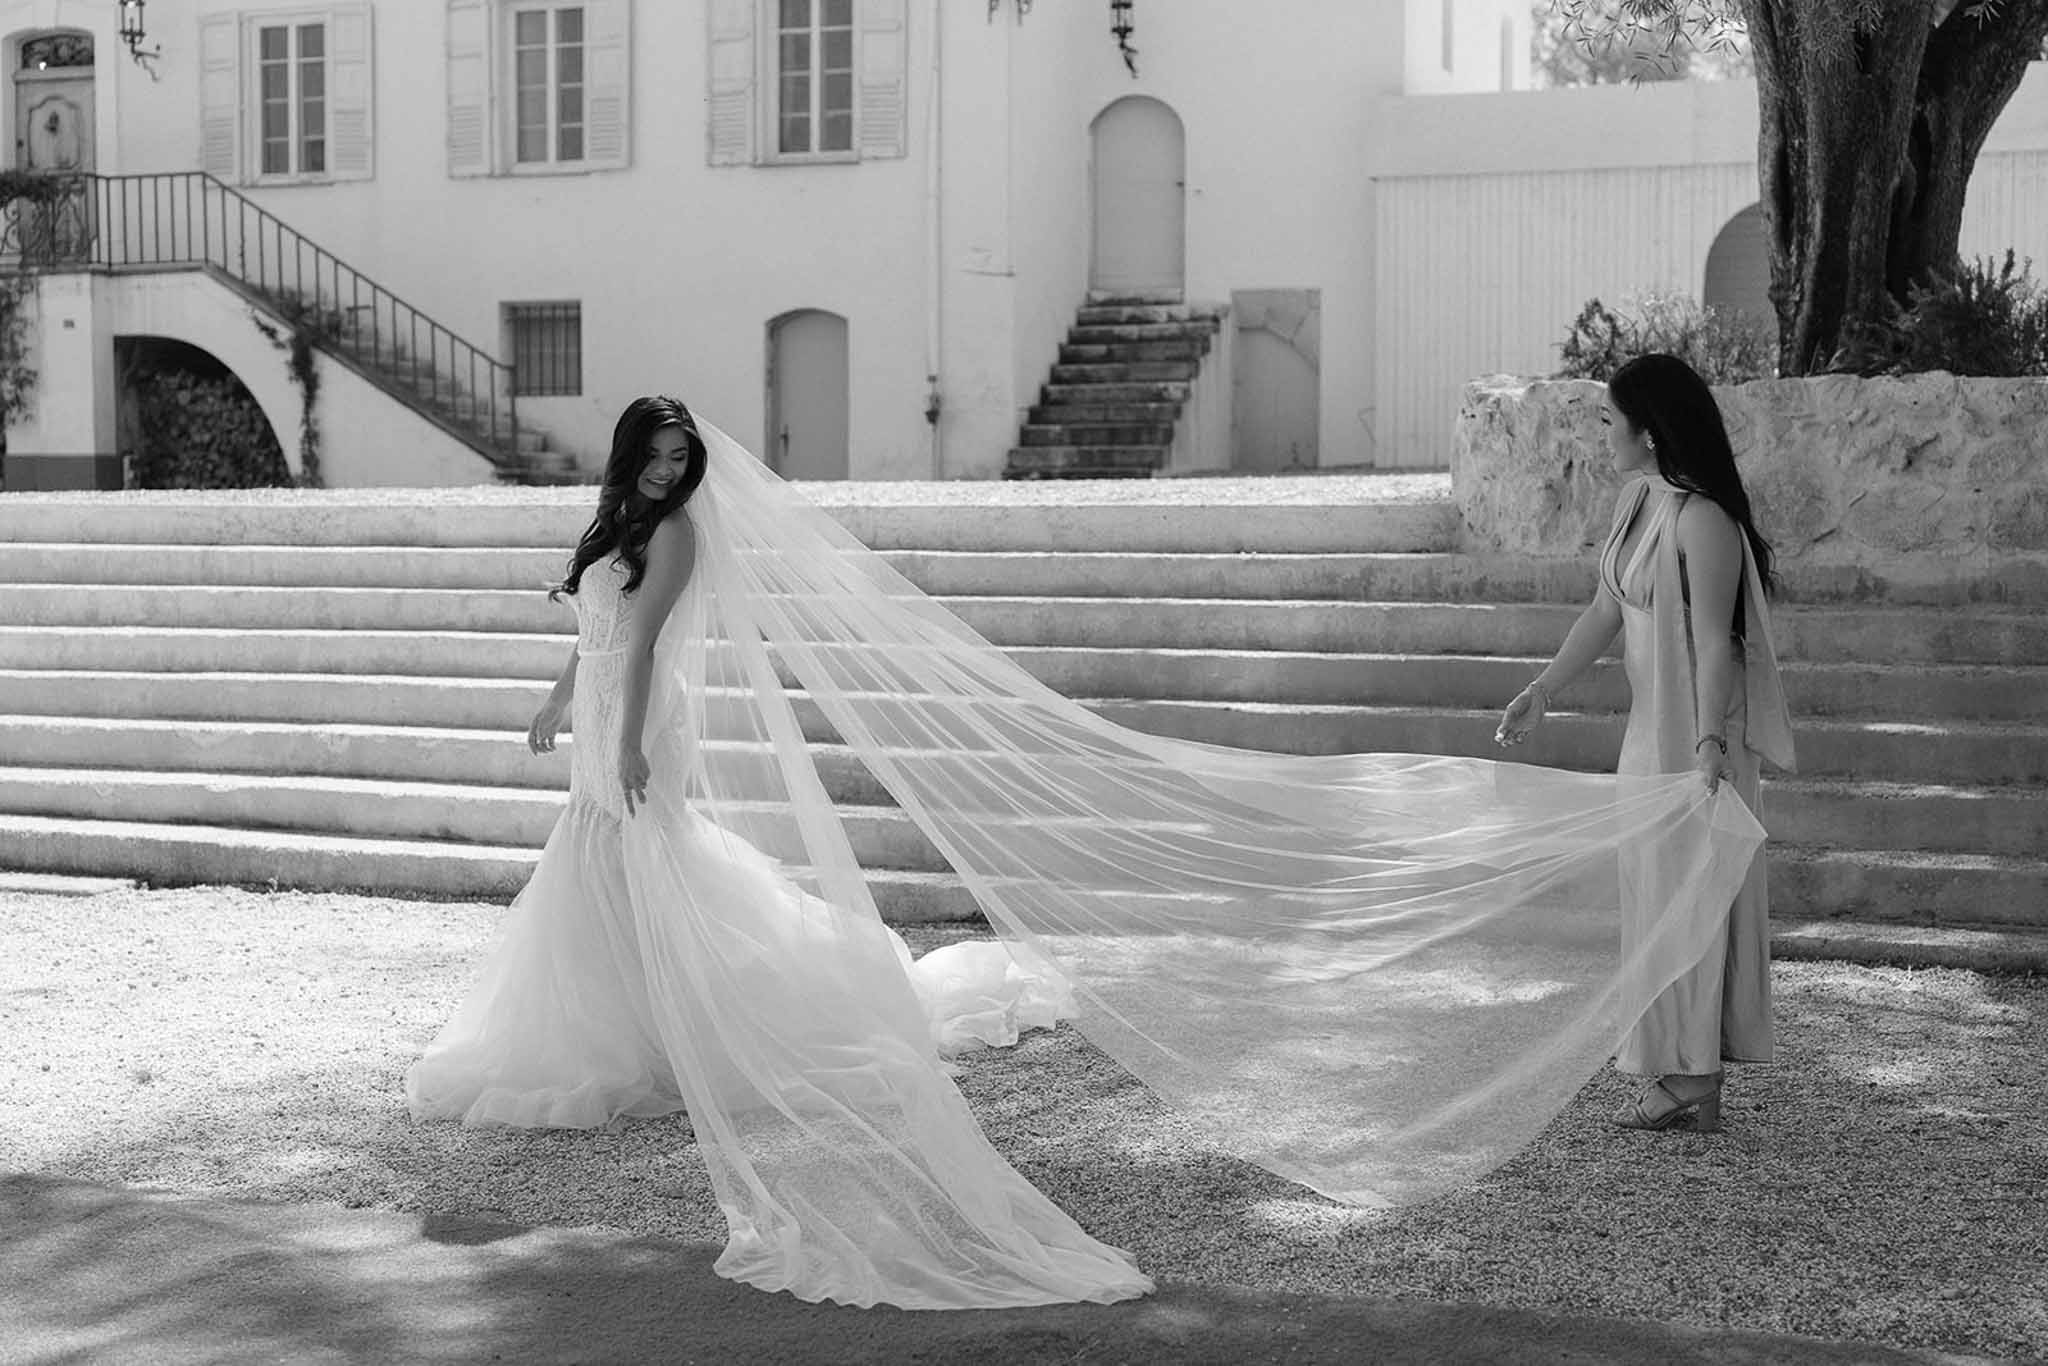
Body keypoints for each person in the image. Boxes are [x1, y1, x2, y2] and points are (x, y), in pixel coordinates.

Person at [409, 394, 1768, 1311]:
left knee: (639, 867)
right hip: (596, 713)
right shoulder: (611, 535)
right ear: (623, 468)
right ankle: (631, 1035)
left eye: (675, 463)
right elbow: (588, 634)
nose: (665, 477)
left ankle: (686, 1031)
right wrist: (556, 703)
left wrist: (630, 737)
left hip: (640, 724)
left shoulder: (686, 537)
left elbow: (643, 650)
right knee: (593, 882)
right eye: (650, 463)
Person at [1495, 353, 1795, 1134]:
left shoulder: (1704, 520)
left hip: (1695, 739)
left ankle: (1693, 1078)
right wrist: (1543, 688)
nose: (1602, 434)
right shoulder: (1637, 504)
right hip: (1645, 738)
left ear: (1650, 431)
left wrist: (1705, 745)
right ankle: (1672, 1067)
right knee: (1652, 903)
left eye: (1609, 419)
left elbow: (1714, 646)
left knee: (1689, 901)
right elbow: (1604, 611)